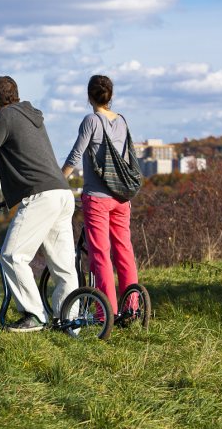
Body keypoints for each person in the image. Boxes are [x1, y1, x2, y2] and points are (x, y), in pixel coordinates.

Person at [0, 75, 78, 332]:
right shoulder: (34, 118)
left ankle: (34, 315)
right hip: (62, 194)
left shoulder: (5, 117)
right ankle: (70, 322)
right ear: (16, 94)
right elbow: (29, 162)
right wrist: (8, 199)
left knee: (12, 255)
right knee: (63, 265)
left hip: (42, 196)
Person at [61, 74, 139, 315]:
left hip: (97, 198)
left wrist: (56, 179)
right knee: (124, 251)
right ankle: (132, 308)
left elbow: (75, 156)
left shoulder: (91, 121)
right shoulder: (122, 121)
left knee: (101, 256)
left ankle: (106, 313)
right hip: (121, 197)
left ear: (89, 96)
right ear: (111, 96)